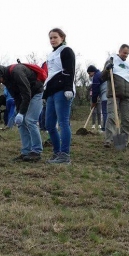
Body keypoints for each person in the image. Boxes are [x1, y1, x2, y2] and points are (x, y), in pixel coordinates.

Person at [0, 63, 44, 162]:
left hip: (36, 93)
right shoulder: (6, 80)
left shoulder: (17, 72)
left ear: (1, 74)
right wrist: (18, 111)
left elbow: (26, 93)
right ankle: (26, 152)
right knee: (21, 123)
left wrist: (22, 113)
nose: (0, 83)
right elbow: (17, 97)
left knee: (30, 120)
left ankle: (36, 151)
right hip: (25, 96)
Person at [43, 28, 75, 164]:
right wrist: (45, 93)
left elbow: (69, 70)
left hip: (63, 91)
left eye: (55, 37)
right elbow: (50, 75)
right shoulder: (51, 55)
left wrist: (68, 88)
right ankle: (57, 152)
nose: (52, 40)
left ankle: (65, 155)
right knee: (49, 125)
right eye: (50, 38)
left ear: (62, 37)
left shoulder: (66, 50)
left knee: (63, 122)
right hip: (51, 91)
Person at [101, 44, 129, 147]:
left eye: (127, 54)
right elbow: (103, 77)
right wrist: (107, 69)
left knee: (126, 119)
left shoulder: (128, 65)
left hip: (127, 95)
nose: (126, 55)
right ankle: (108, 140)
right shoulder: (111, 60)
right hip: (114, 94)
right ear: (119, 51)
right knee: (112, 116)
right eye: (124, 53)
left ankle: (123, 142)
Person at [87, 65, 103, 130]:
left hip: (99, 98)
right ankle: (93, 124)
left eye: (89, 73)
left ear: (93, 72)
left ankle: (99, 124)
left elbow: (97, 90)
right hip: (93, 98)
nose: (89, 75)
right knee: (93, 111)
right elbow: (92, 92)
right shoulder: (91, 84)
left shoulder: (96, 78)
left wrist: (97, 97)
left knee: (99, 111)